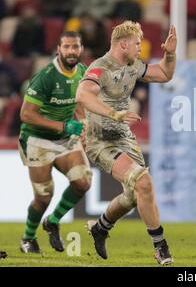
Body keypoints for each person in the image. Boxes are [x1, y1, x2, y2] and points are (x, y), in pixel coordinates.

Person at [75, 21, 177, 265]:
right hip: (100, 139)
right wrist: (114, 113)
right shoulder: (101, 67)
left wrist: (170, 54)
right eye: (137, 44)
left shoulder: (132, 67)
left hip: (123, 137)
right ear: (123, 44)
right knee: (143, 182)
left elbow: (164, 74)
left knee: (134, 195)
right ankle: (160, 246)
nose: (140, 48)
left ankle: (101, 227)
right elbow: (83, 94)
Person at [19, 31, 90, 254]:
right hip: (37, 140)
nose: (72, 51)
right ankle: (28, 238)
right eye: (67, 47)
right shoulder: (46, 76)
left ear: (81, 48)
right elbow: (26, 114)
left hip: (65, 139)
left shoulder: (82, 71)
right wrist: (63, 126)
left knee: (83, 182)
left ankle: (53, 221)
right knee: (43, 197)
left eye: (75, 47)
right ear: (58, 49)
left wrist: (83, 123)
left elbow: (80, 101)